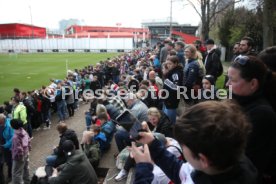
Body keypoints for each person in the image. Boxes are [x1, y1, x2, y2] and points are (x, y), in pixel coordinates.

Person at [130, 100, 258, 184]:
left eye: (183, 145)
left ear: (203, 160)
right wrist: (153, 143)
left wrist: (143, 168)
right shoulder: (222, 162)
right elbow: (180, 172)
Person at [226, 55, 276, 182]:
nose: (227, 84)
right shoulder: (239, 101)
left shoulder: (261, 114)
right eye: (228, 79)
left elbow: (246, 161)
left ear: (253, 84)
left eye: (233, 80)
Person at [162, 56, 183, 124]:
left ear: (175, 64)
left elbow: (176, 87)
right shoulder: (172, 72)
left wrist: (166, 81)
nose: (168, 65)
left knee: (169, 122)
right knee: (166, 119)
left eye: (170, 64)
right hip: (168, 99)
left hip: (171, 100)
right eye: (167, 64)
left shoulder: (176, 74)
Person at [10, 119, 31, 184]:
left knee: (16, 173)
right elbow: (29, 140)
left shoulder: (15, 137)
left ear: (12, 126)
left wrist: (20, 157)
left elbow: (19, 149)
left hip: (19, 157)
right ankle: (27, 181)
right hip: (26, 153)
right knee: (26, 168)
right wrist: (29, 149)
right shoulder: (23, 130)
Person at [0, 113, 13, 183]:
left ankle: (10, 175)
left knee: (9, 161)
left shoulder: (9, 125)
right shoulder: (1, 124)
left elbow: (13, 137)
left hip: (8, 146)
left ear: (2, 119)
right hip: (2, 145)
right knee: (5, 160)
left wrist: (6, 145)